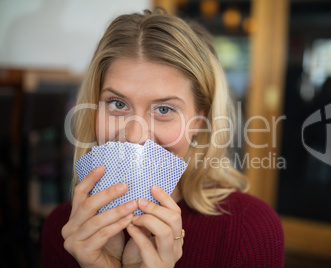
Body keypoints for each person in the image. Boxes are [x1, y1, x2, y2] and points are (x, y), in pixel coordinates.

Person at [42, 9, 284, 268]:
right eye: (117, 103)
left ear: (198, 123)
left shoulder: (250, 229)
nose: (134, 137)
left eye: (164, 110)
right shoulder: (65, 231)